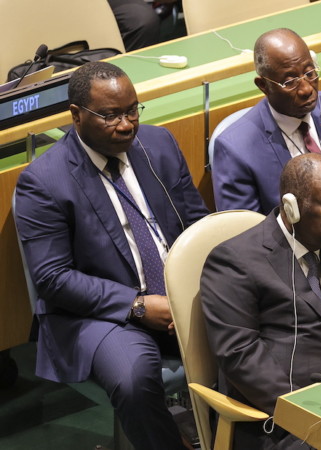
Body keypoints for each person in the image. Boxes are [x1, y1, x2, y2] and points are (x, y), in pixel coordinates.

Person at [14, 61, 209, 449]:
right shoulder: (44, 180)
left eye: (133, 110)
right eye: (110, 115)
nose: (126, 125)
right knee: (134, 378)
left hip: (179, 294)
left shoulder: (158, 145)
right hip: (105, 314)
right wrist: (138, 305)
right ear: (76, 116)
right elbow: (53, 278)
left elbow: (197, 224)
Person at [201, 153, 321, 449]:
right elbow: (240, 356)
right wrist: (310, 412)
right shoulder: (234, 261)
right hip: (292, 422)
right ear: (292, 208)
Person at [211, 28, 321, 259]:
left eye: (310, 73)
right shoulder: (236, 148)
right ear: (263, 85)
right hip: (301, 269)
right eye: (290, 81)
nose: (306, 89)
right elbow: (250, 237)